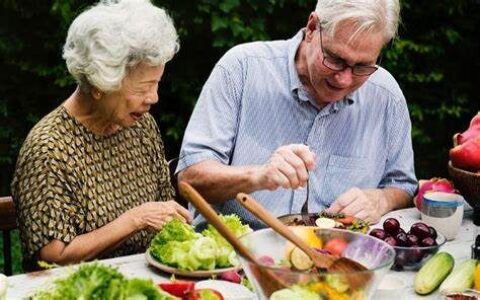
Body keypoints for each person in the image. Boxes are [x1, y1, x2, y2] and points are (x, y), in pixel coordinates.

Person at [177, 0, 417, 229]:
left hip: (334, 257)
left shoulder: (386, 95)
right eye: (335, 59)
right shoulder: (242, 69)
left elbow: (402, 185)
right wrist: (258, 176)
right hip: (234, 255)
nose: (344, 79)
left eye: (362, 66)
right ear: (312, 28)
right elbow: (190, 178)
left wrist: (382, 200)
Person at [11, 0, 191, 271]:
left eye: (157, 84)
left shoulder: (142, 128)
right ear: (99, 84)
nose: (153, 98)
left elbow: (164, 212)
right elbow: (51, 256)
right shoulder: (49, 149)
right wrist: (135, 219)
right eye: (143, 88)